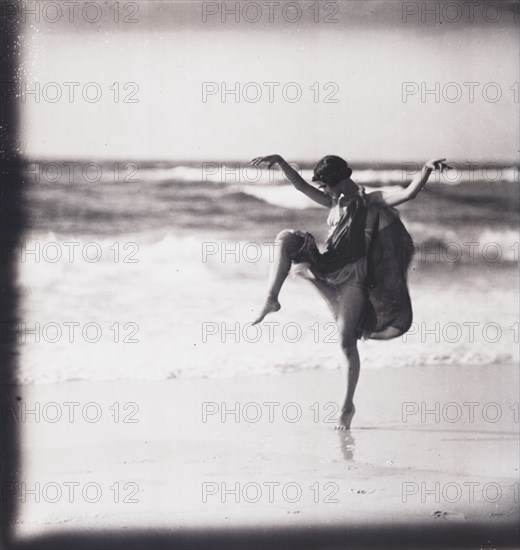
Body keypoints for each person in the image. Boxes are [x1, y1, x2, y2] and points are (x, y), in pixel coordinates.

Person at [250, 154, 450, 429]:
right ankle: (271, 299)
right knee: (285, 238)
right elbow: (300, 186)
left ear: (340, 180)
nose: (323, 191)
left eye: (326, 186)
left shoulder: (370, 201)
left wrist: (426, 169)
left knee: (346, 342)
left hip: (353, 279)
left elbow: (407, 193)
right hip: (328, 264)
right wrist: (281, 162)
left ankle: (347, 406)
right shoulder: (333, 201)